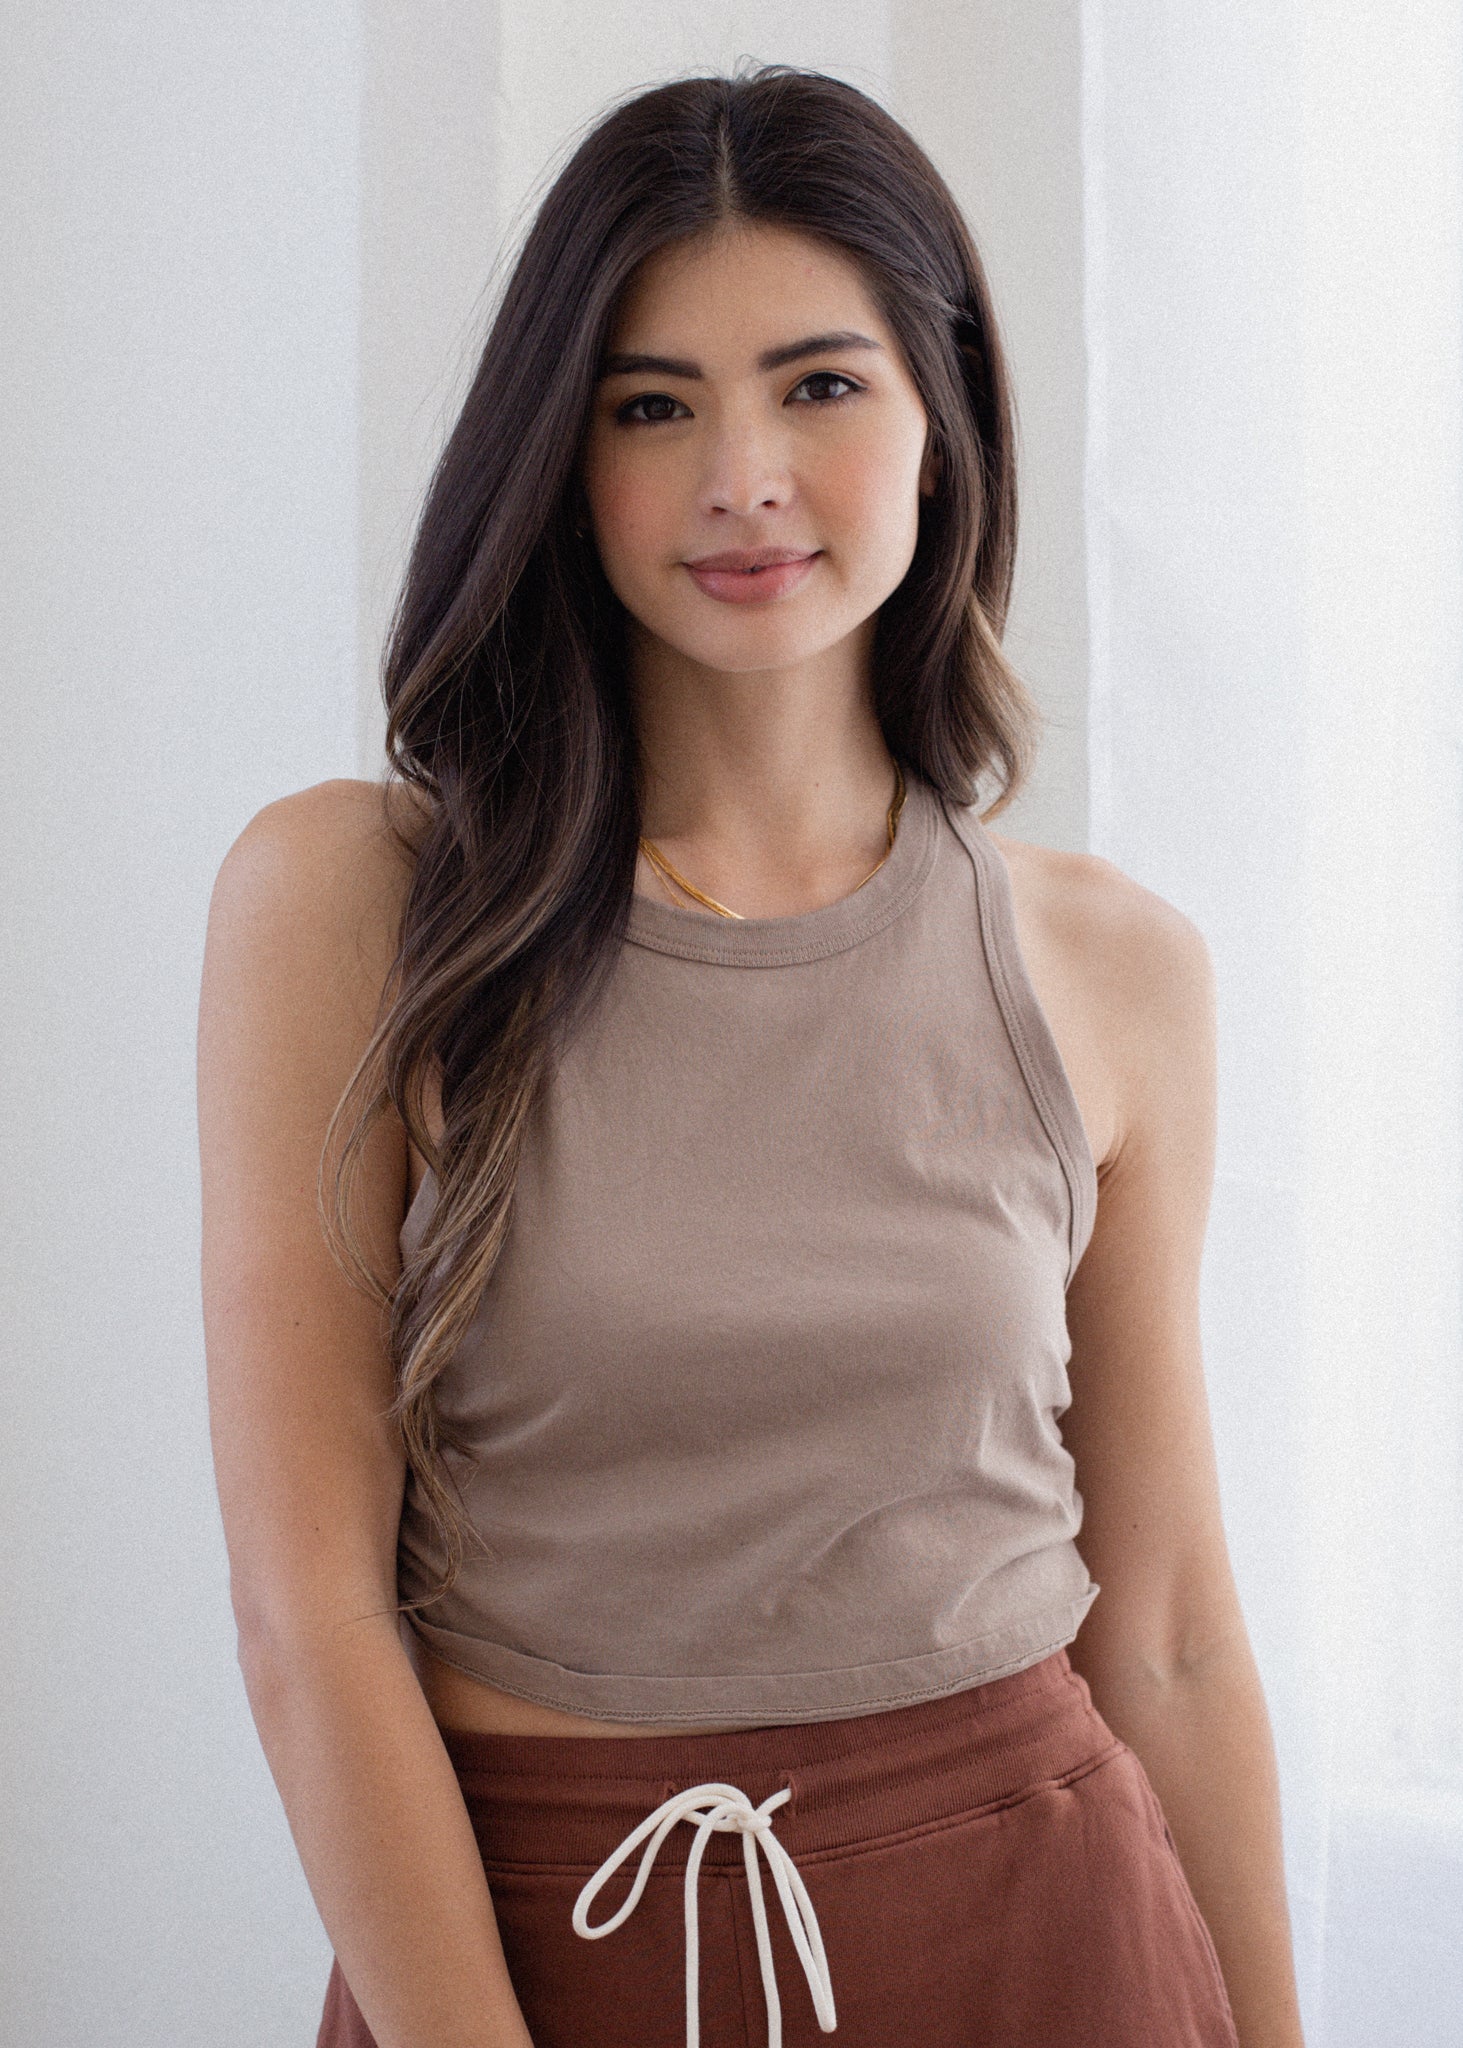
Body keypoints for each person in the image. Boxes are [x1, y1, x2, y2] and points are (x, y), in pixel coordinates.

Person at [197, 62, 1305, 2048]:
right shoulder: (354, 905)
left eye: (818, 385)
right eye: (650, 406)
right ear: (560, 449)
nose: (741, 481)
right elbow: (311, 1617)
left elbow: (1173, 1635)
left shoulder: (1111, 965)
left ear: (942, 424)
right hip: (537, 1943)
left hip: (1048, 1931)